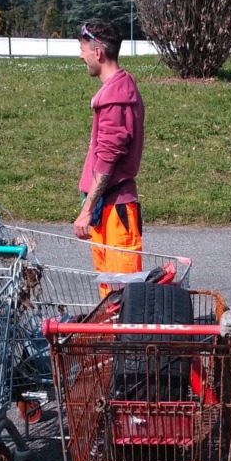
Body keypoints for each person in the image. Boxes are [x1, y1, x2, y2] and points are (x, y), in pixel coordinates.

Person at [74, 18, 145, 282]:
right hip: (108, 209)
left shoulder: (116, 100)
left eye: (83, 51)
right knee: (109, 289)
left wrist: (86, 210)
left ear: (98, 52)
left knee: (122, 292)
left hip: (116, 212)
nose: (81, 57)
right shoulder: (118, 89)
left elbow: (107, 159)